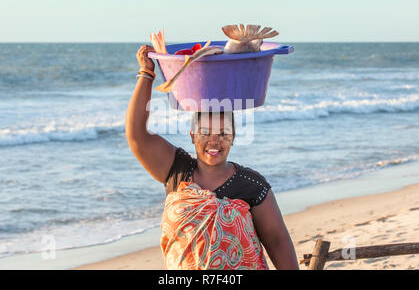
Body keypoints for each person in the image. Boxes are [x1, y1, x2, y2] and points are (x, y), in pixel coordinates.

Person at [126, 45, 299, 270]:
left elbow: (277, 241)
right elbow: (136, 134)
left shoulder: (252, 185)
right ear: (192, 136)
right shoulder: (176, 171)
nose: (214, 141)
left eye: (223, 133)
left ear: (234, 137)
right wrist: (147, 74)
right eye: (205, 133)